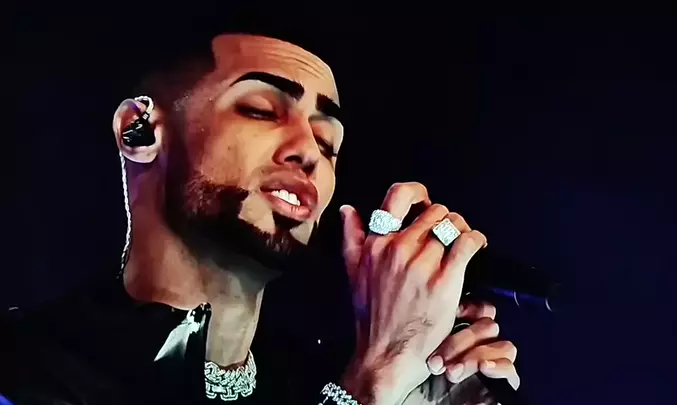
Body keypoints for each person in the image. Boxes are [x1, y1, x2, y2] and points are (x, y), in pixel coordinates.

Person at [1, 29, 520, 405]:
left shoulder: (313, 380)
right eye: (261, 110)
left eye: (327, 142)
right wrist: (378, 375)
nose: (308, 152)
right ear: (140, 130)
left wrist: (422, 388)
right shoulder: (25, 365)